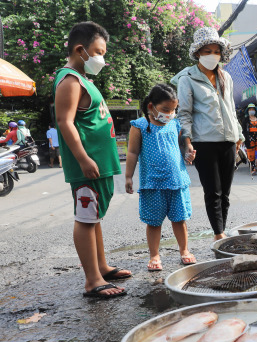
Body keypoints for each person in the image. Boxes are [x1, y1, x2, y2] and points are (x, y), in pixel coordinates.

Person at [53, 21, 131, 299]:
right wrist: (84, 158)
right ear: (80, 49)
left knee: (94, 217)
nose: (102, 59)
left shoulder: (83, 79)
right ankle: (92, 280)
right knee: (86, 218)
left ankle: (101, 266)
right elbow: (65, 122)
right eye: (98, 52)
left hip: (99, 163)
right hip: (87, 165)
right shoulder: (70, 80)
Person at [171, 27, 244, 242]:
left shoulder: (226, 77)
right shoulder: (188, 78)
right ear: (197, 54)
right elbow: (184, 114)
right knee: (213, 191)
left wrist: (239, 135)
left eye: (216, 51)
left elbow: (231, 108)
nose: (213, 55)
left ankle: (222, 229)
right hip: (204, 142)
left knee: (226, 192)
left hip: (229, 141)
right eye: (207, 51)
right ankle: (218, 234)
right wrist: (188, 143)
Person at [125, 84, 196, 271]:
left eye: (173, 110)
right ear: (151, 106)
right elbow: (132, 153)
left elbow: (181, 146)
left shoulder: (175, 123)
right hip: (153, 183)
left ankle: (184, 251)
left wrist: (188, 152)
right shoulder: (140, 126)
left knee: (179, 220)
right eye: (166, 110)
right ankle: (154, 255)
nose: (170, 113)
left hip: (177, 180)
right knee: (154, 222)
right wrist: (128, 177)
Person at [242, 103, 257, 175]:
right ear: (248, 111)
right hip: (249, 139)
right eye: (250, 109)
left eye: (253, 109)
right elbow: (244, 130)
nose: (251, 110)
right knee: (251, 156)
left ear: (255, 110)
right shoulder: (246, 120)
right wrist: (243, 139)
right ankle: (252, 169)